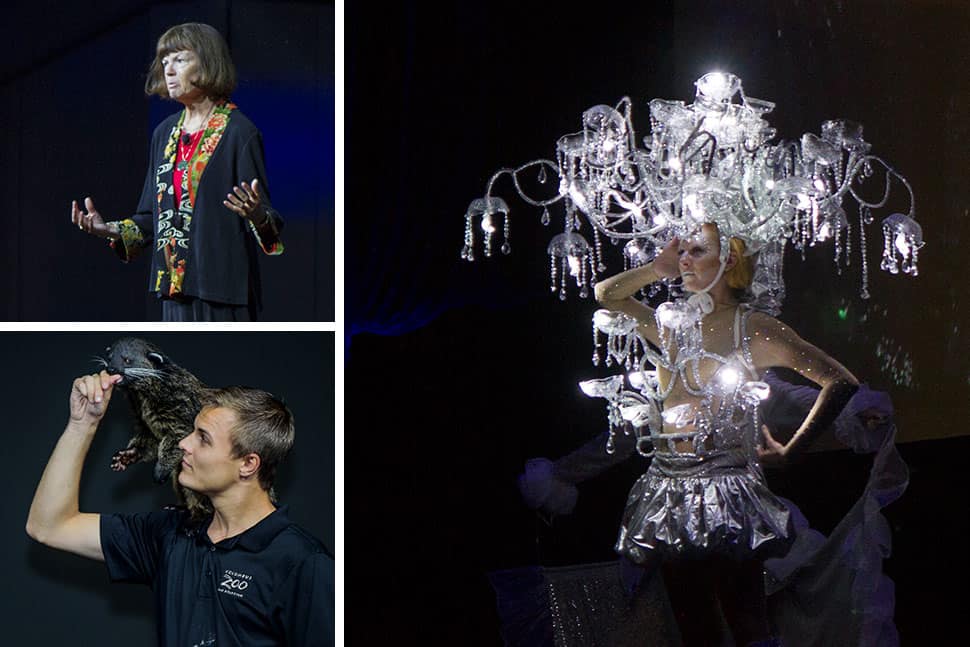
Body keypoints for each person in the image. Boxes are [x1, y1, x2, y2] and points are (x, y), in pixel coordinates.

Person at [592, 223, 859, 646]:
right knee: (693, 623)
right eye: (680, 251)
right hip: (668, 485)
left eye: (696, 250)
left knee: (745, 618)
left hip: (727, 488)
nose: (683, 259)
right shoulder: (671, 325)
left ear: (729, 259)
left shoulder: (754, 328)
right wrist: (655, 268)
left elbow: (839, 382)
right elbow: (607, 295)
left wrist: (792, 450)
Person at [26, 372, 334, 646]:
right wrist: (83, 424)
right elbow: (49, 525)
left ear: (248, 464)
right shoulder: (171, 534)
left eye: (203, 438)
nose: (184, 443)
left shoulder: (303, 563)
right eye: (192, 431)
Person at [70, 22, 283, 321]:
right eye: (165, 61)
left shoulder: (239, 132)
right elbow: (148, 218)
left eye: (180, 59)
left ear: (208, 62)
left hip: (223, 291)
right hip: (173, 289)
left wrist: (256, 213)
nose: (168, 70)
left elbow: (269, 222)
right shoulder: (164, 133)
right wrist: (110, 230)